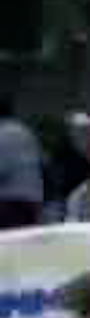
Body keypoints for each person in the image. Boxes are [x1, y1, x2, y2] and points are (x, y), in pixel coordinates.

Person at [0, 93, 44, 229]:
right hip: (32, 199)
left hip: (10, 202)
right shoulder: (25, 131)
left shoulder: (2, 133)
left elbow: (2, 170)